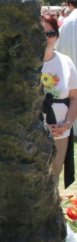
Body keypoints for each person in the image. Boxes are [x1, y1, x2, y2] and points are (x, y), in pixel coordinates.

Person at [41, 14, 77, 186]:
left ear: (56, 36)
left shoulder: (66, 62)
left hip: (60, 131)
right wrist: (41, 127)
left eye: (50, 33)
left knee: (53, 179)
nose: (46, 37)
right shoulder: (25, 64)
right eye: (41, 33)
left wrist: (68, 124)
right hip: (33, 132)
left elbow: (74, 97)